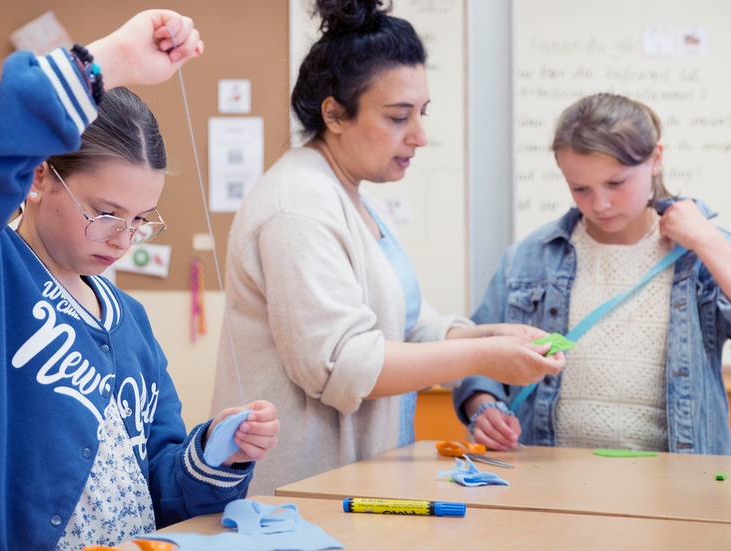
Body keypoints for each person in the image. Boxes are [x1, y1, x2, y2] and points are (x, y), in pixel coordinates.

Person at [0, 11, 279, 550]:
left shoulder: (131, 321)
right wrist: (113, 61)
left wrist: (215, 452)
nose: (123, 238)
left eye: (141, 220)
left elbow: (158, 485)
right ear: (39, 175)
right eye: (105, 212)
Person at [209, 0, 564, 497]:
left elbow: (407, 327)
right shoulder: (299, 206)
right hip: (297, 496)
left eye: (422, 113)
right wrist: (483, 356)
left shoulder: (354, 197)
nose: (419, 136)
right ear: (334, 113)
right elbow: (344, 365)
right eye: (399, 117)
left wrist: (490, 334)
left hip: (351, 486)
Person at [453, 93, 731, 454]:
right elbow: (473, 353)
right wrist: (482, 405)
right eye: (580, 188)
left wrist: (709, 241)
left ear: (655, 159)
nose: (599, 204)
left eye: (616, 183)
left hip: (674, 486)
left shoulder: (701, 255)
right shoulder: (529, 258)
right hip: (546, 481)